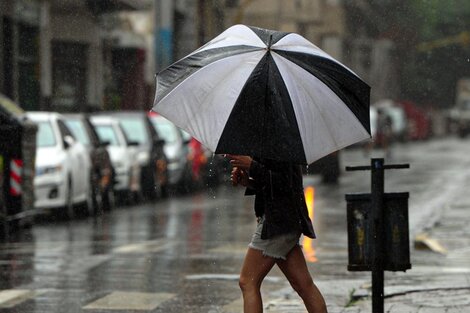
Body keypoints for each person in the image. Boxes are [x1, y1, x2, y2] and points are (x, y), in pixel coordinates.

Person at [226, 154, 327, 313]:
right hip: (285, 221)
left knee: (248, 282)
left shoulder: (281, 143)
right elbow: (272, 185)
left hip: (278, 223)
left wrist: (252, 166)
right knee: (303, 285)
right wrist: (248, 182)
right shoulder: (272, 141)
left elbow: (285, 183)